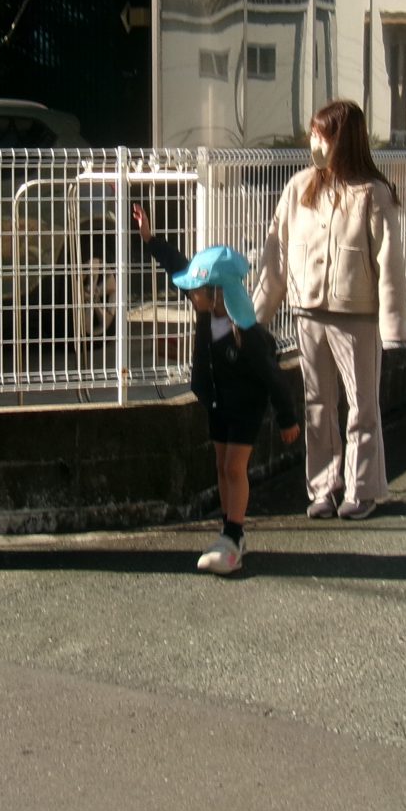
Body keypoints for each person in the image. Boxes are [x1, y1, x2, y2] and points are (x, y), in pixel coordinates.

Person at [253, 99, 406, 521]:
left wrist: (393, 327)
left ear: (343, 139)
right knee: (317, 404)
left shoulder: (373, 193)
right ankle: (323, 487)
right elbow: (276, 254)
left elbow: (390, 264)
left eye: (321, 136)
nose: (314, 144)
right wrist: (255, 318)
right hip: (307, 313)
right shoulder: (298, 187)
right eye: (312, 135)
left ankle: (362, 489)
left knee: (361, 406)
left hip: (357, 315)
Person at [132, 206, 300, 576]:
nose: (191, 294)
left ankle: (233, 534)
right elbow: (178, 267)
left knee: (235, 468)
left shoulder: (248, 335)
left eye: (198, 289)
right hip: (218, 401)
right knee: (222, 467)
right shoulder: (206, 313)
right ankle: (229, 530)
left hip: (245, 406)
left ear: (218, 293)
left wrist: (287, 417)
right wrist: (150, 239)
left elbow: (273, 377)